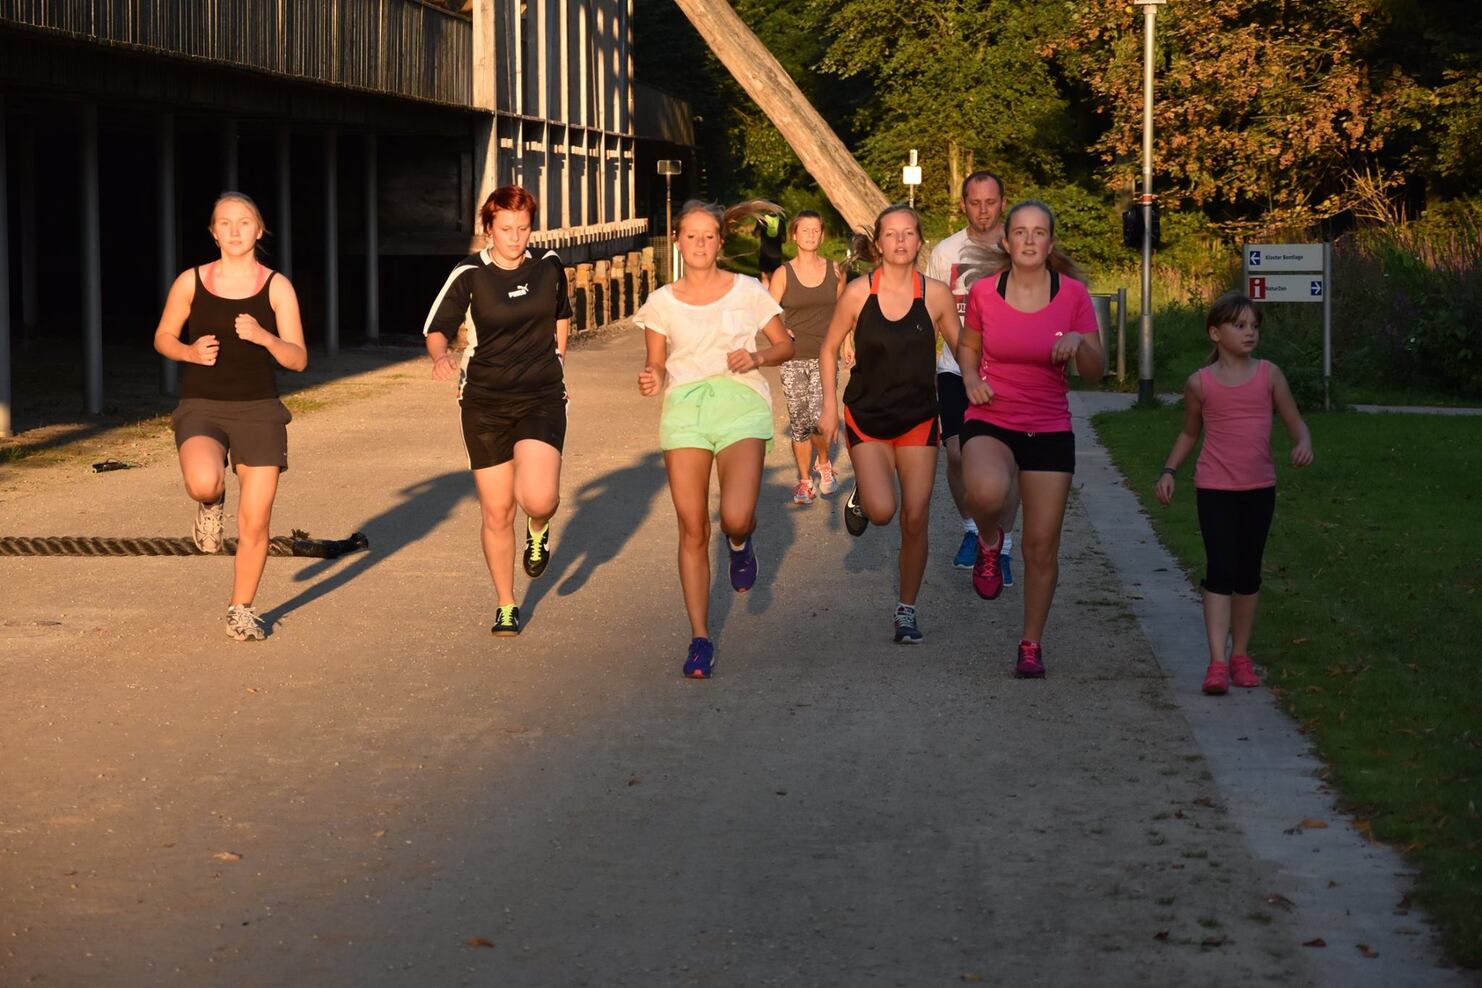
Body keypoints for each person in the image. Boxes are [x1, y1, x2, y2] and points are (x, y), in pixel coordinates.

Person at [636, 200, 795, 679]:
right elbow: (658, 362)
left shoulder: (747, 290)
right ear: (678, 241)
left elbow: (786, 343)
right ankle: (700, 638)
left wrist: (758, 358)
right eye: (692, 236)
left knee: (735, 516)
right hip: (685, 408)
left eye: (709, 236)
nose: (700, 244)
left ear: (720, 243)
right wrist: (651, 375)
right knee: (691, 526)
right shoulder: (661, 301)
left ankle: (741, 544)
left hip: (740, 403)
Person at [957, 200, 1104, 677]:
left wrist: (1080, 344)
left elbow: (1097, 373)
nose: (1028, 239)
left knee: (1041, 547)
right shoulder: (983, 291)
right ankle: (988, 538)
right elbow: (968, 345)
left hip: (1049, 425)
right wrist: (969, 377)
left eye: (1039, 232)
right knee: (986, 491)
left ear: (1050, 243)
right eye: (1020, 231)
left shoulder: (1073, 296)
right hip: (991, 414)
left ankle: (1030, 643)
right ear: (1006, 241)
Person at [153, 192, 308, 642]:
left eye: (245, 222)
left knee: (256, 521)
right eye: (226, 222)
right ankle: (208, 505)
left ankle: (241, 608)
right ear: (213, 232)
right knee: (204, 482)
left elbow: (298, 358)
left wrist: (264, 337)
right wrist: (187, 352)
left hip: (260, 410)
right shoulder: (191, 281)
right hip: (202, 404)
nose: (235, 230)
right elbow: (163, 336)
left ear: (259, 230)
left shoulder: (277, 286)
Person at [423, 185, 571, 638]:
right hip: (485, 402)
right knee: (496, 510)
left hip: (541, 395)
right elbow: (436, 328)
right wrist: (442, 357)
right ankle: (507, 604)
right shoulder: (469, 273)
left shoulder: (549, 266)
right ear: (488, 228)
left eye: (523, 228)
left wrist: (560, 358)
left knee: (539, 498)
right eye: (506, 229)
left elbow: (561, 313)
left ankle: (540, 527)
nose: (515, 237)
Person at [1155, 292, 1313, 695]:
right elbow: (1190, 432)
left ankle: (1240, 656)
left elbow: (1296, 421)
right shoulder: (1200, 383)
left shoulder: (1269, 375)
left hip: (1259, 488)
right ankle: (1217, 662)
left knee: (1248, 573)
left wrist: (1302, 442)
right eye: (1239, 326)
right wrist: (1170, 471)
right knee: (1220, 570)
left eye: (1254, 327)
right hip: (1215, 488)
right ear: (1215, 332)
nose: (1249, 333)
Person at [819, 204, 960, 644]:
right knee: (884, 512)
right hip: (868, 416)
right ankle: (865, 492)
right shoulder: (859, 294)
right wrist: (828, 406)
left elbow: (965, 351)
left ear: (920, 242)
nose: (900, 241)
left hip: (919, 418)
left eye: (909, 234)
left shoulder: (935, 295)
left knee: (915, 519)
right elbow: (828, 349)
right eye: (891, 234)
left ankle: (906, 609)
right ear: (878, 244)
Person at [927, 171, 1019, 579]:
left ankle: (1003, 544)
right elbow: (930, 306)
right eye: (975, 202)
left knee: (1008, 460)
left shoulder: (1016, 246)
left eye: (991, 202)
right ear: (963, 203)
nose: (983, 210)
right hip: (954, 366)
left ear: (1002, 202)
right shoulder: (946, 251)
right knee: (957, 453)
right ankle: (970, 529)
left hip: (1007, 369)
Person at [768, 210, 846, 505]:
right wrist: (780, 330)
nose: (811, 235)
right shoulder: (783, 273)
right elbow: (768, 311)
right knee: (800, 421)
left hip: (825, 355)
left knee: (819, 416)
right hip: (793, 356)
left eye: (816, 230)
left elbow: (844, 309)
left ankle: (823, 462)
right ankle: (804, 481)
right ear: (794, 236)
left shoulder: (835, 270)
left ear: (822, 235)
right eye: (805, 230)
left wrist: (848, 341)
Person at [754, 210, 785, 290]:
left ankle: (766, 297)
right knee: (775, 277)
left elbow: (756, 234)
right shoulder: (781, 220)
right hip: (776, 252)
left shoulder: (762, 219)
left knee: (764, 276)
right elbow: (784, 239)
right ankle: (774, 298)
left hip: (764, 251)